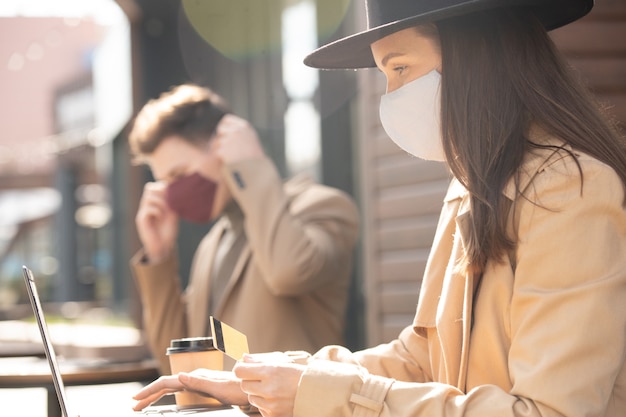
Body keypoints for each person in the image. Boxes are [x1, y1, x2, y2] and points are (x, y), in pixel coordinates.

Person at [133, 1, 626, 416]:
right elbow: (421, 357)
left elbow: (549, 410)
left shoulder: (571, 190)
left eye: (399, 68)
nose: (391, 97)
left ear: (474, 56)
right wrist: (272, 376)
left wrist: (318, 391)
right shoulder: (470, 189)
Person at [127, 84, 360, 375]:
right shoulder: (213, 244)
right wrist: (158, 255)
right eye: (165, 182)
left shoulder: (323, 206)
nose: (173, 193)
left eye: (180, 174)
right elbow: (177, 361)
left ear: (224, 146)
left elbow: (289, 272)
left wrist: (249, 166)